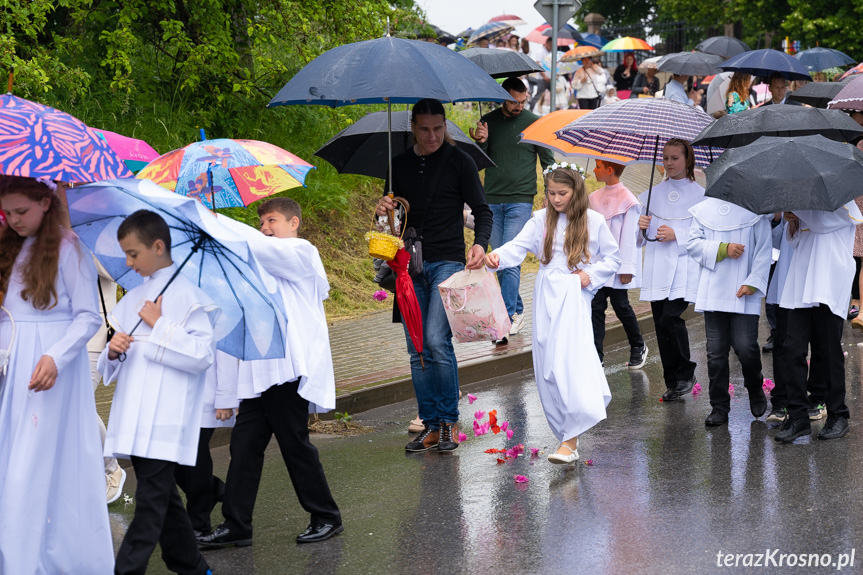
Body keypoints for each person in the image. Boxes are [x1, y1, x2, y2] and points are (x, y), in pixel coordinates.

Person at [199, 197, 343, 546]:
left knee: (294, 444)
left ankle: (326, 516)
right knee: (243, 447)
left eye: (272, 221)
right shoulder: (258, 259)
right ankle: (237, 525)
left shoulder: (301, 252)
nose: (265, 228)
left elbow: (261, 250)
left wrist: (216, 222)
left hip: (286, 371)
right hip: (257, 374)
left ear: (294, 223)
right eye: (261, 222)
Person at [0, 176, 114, 574]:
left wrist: (55, 356)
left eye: (21, 211)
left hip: (48, 369)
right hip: (9, 364)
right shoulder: (6, 246)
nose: (14, 220)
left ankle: (46, 560)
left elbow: (88, 318)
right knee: (10, 461)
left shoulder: (69, 248)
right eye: (7, 212)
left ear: (45, 204)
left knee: (32, 466)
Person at [98, 209, 217, 575]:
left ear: (158, 246)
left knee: (150, 505)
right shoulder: (135, 296)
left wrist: (159, 324)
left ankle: (126, 569)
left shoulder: (189, 295)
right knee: (163, 498)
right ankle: (192, 567)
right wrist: (113, 349)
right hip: (135, 413)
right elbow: (117, 361)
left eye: (133, 254)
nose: (129, 262)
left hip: (167, 416)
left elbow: (200, 356)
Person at [377, 99, 492, 453]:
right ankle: (428, 424)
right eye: (425, 129)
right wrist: (383, 209)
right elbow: (388, 227)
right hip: (408, 265)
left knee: (435, 339)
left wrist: (480, 244)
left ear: (446, 126)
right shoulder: (398, 166)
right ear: (412, 127)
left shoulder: (461, 162)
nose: (432, 136)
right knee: (416, 347)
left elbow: (483, 211)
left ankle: (447, 422)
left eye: (439, 129)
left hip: (447, 261)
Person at [485, 162, 620, 464]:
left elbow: (613, 258)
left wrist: (590, 276)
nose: (556, 199)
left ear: (576, 191)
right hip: (547, 293)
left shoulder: (593, 221)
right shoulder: (540, 220)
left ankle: (570, 440)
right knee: (547, 366)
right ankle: (564, 434)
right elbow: (517, 247)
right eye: (551, 193)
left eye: (563, 193)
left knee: (566, 364)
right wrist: (496, 256)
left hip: (573, 293)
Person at [469, 77, 554, 342]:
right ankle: (517, 311)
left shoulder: (534, 122)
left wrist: (551, 197)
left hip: (521, 198)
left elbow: (548, 162)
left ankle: (504, 321)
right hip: (491, 199)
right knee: (498, 258)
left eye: (522, 101)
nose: (518, 107)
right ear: (500, 97)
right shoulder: (489, 122)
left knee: (509, 257)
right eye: (512, 101)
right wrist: (480, 142)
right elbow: (476, 164)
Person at [774, 204, 861, 443]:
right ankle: (798, 416)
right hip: (801, 281)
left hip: (828, 282)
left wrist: (798, 214)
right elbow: (795, 241)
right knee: (792, 349)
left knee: (828, 351)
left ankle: (838, 415)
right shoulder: (805, 204)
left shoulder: (844, 203)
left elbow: (824, 224)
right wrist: (793, 223)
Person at [686, 198, 772, 426]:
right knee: (715, 352)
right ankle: (719, 406)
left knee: (745, 347)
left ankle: (754, 386)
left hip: (744, 289)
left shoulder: (755, 209)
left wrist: (753, 282)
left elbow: (764, 249)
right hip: (714, 290)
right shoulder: (704, 209)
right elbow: (693, 243)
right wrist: (722, 249)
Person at [637, 139, 705, 401]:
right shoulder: (652, 195)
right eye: (665, 158)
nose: (668, 163)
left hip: (683, 267)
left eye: (674, 158)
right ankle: (672, 380)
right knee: (659, 323)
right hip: (657, 266)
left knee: (670, 318)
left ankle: (686, 373)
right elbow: (640, 240)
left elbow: (703, 234)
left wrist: (677, 234)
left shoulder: (700, 196)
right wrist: (641, 226)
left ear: (687, 160)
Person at [589, 160, 647, 368]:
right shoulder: (593, 198)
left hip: (617, 264)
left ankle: (638, 345)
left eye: (598, 166)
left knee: (621, 306)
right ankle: (597, 356)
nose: (594, 170)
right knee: (596, 307)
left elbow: (630, 238)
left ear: (609, 170)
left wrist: (626, 268)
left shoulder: (628, 200)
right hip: (598, 263)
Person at [174, 350, 238, 538]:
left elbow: (224, 348)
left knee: (196, 454)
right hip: (170, 392)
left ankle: (198, 524)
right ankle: (212, 490)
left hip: (203, 389)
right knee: (170, 459)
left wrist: (226, 395)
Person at [529, 37, 553, 111]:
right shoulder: (541, 52)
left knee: (554, 94)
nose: (551, 46)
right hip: (542, 78)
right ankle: (531, 109)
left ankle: (552, 109)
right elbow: (538, 64)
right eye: (550, 44)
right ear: (546, 43)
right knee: (538, 94)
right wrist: (544, 76)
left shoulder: (551, 52)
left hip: (550, 77)